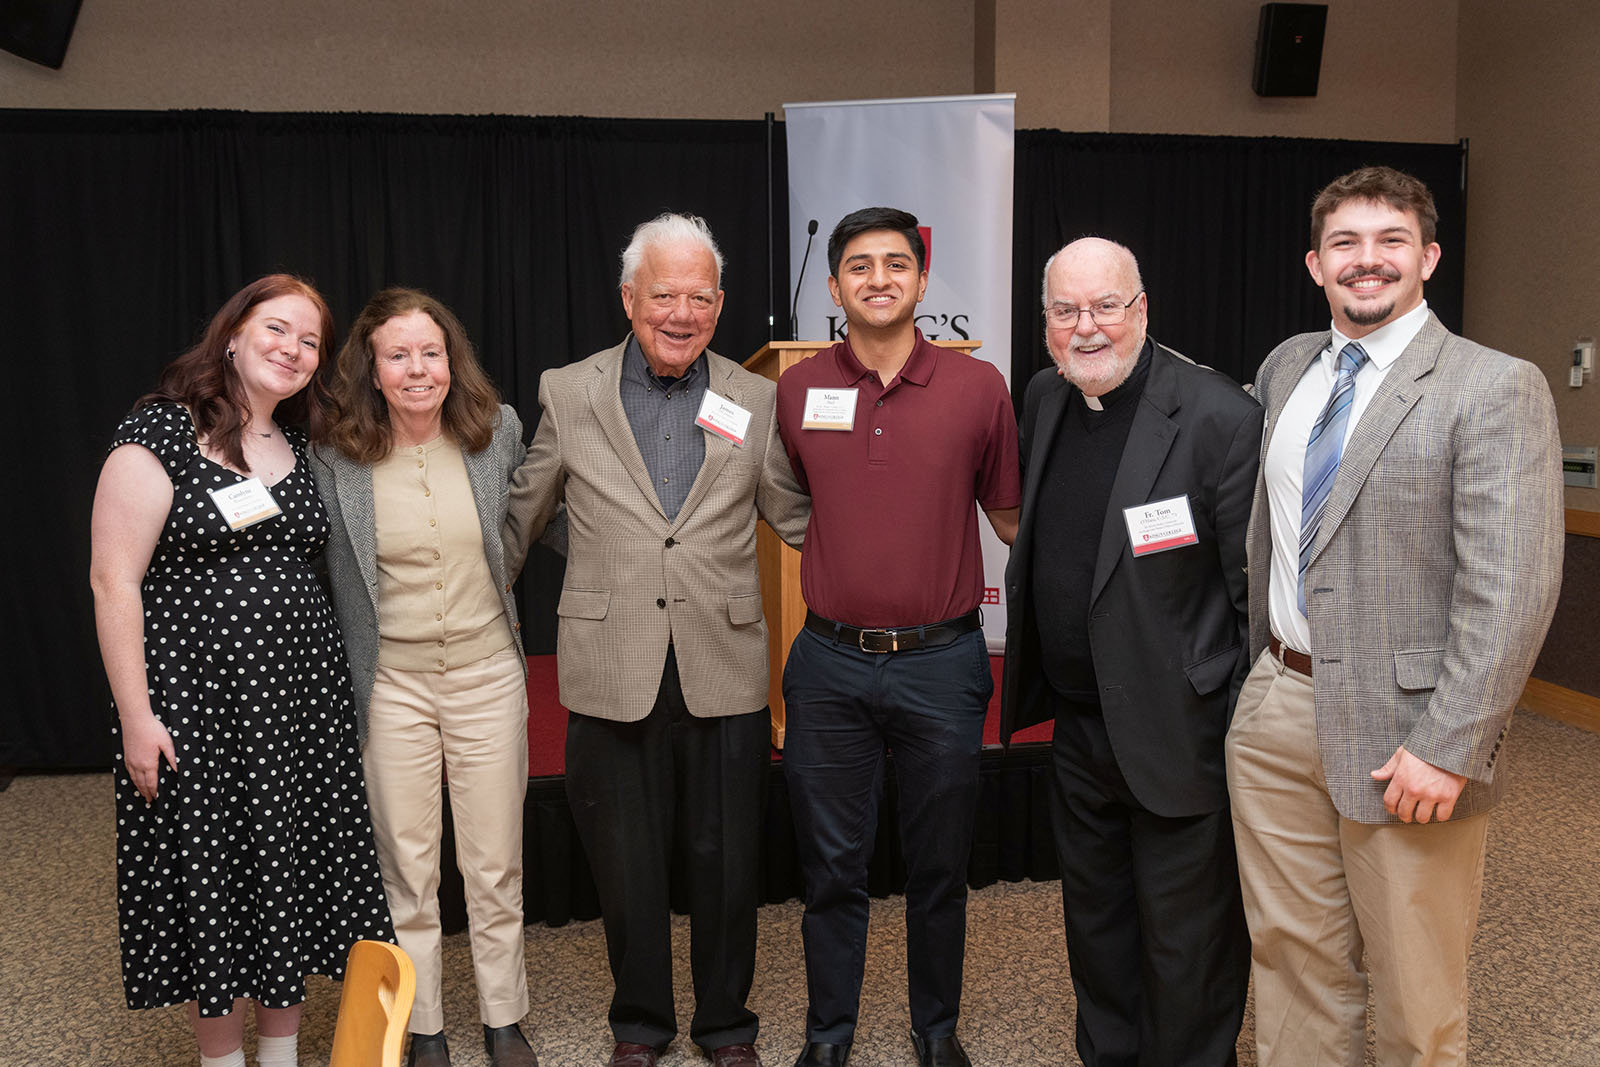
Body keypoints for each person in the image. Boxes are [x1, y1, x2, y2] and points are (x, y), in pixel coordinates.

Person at [1226, 166, 1564, 1066]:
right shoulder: (1286, 367)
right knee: (1291, 964)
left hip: (1409, 732)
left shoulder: (1492, 386)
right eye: (1345, 243)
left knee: (1417, 991)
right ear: (1313, 262)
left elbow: (1513, 587)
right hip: (1278, 707)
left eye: (1389, 242)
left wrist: (1452, 742)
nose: (1365, 261)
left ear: (1429, 258)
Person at [502, 212, 809, 1067]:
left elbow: (791, 510)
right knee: (626, 864)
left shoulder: (751, 397)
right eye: (663, 293)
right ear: (628, 297)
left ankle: (726, 1025)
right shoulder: (571, 389)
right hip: (613, 661)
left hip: (725, 660)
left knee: (727, 862)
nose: (681, 312)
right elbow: (526, 516)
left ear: (720, 302)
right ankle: (639, 1022)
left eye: (699, 296)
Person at [89, 274, 394, 1067]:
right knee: (212, 881)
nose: (293, 349)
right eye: (277, 329)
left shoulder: (301, 445)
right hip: (199, 710)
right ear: (233, 333)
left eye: (309, 341)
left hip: (298, 710)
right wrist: (135, 715)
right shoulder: (159, 431)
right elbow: (112, 579)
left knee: (283, 873)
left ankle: (282, 1055)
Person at [999, 238, 1257, 1066]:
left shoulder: (1219, 417)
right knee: (1097, 929)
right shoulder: (1044, 397)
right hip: (1079, 730)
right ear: (1045, 325)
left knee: (1189, 947)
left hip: (1182, 731)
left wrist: (1234, 729)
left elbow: (1251, 597)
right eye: (1067, 311)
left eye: (1107, 305)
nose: (1088, 328)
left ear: (1142, 309)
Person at [774, 207, 1020, 1067]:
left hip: (942, 664)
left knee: (939, 865)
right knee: (830, 869)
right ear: (834, 286)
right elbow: (793, 498)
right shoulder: (799, 389)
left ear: (921, 279)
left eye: (895, 263)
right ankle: (827, 1036)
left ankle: (936, 1029)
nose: (877, 278)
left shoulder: (979, 388)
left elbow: (1010, 513)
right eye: (858, 265)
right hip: (829, 664)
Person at [311, 288, 538, 1067]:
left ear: (453, 359)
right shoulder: (334, 455)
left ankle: (505, 1018)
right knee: (407, 866)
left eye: (431, 352)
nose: (417, 369)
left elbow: (540, 521)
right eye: (398, 355)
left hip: (488, 676)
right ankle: (424, 1024)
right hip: (392, 686)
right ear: (371, 371)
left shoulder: (495, 430)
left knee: (494, 860)